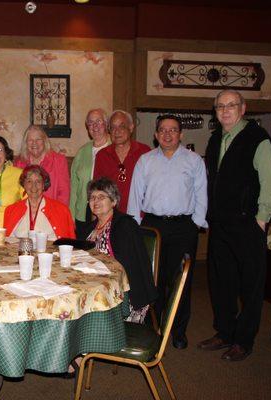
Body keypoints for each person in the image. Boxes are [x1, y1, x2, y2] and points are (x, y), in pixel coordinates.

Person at [199, 90, 271, 361]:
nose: (225, 110)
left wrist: (261, 220)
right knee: (222, 282)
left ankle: (243, 341)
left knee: (250, 286)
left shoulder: (257, 139)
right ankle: (225, 332)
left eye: (231, 105)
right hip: (221, 225)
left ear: (243, 108)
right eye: (220, 106)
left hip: (248, 225)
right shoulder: (215, 140)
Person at [127, 114, 207, 350]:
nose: (168, 134)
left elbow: (202, 195)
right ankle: (155, 328)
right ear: (156, 135)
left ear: (181, 134)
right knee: (154, 280)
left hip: (184, 227)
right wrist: (134, 228)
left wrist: (196, 224)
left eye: (173, 130)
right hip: (153, 226)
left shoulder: (194, 161)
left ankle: (178, 331)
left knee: (181, 281)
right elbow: (135, 196)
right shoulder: (145, 161)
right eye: (163, 130)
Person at [77, 178, 158, 323]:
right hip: (95, 287)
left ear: (113, 202)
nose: (95, 201)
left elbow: (126, 266)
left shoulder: (124, 225)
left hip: (124, 295)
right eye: (92, 198)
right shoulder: (90, 227)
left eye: (101, 197)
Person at [93, 110, 150, 214]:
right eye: (113, 127)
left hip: (140, 216)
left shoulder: (145, 152)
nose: (117, 131)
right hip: (110, 216)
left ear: (131, 127)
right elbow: (97, 190)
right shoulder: (102, 155)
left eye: (122, 126)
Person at [4, 165, 75, 240]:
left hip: (51, 252)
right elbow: (5, 243)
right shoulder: (10, 211)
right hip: (19, 251)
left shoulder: (62, 210)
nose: (33, 186)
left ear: (44, 185)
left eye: (38, 181)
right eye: (29, 181)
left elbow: (71, 244)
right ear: (24, 185)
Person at [70, 108, 111, 234]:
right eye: (91, 123)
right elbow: (74, 187)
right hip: (84, 211)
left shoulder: (114, 148)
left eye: (99, 121)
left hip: (107, 210)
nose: (95, 126)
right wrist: (70, 216)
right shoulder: (82, 152)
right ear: (87, 127)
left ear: (106, 124)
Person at [14, 125, 70, 206]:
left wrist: (57, 214)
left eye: (38, 139)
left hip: (51, 211)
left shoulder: (58, 160)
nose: (34, 143)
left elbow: (64, 193)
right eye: (30, 140)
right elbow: (16, 193)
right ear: (26, 143)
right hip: (26, 211)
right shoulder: (18, 163)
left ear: (44, 141)